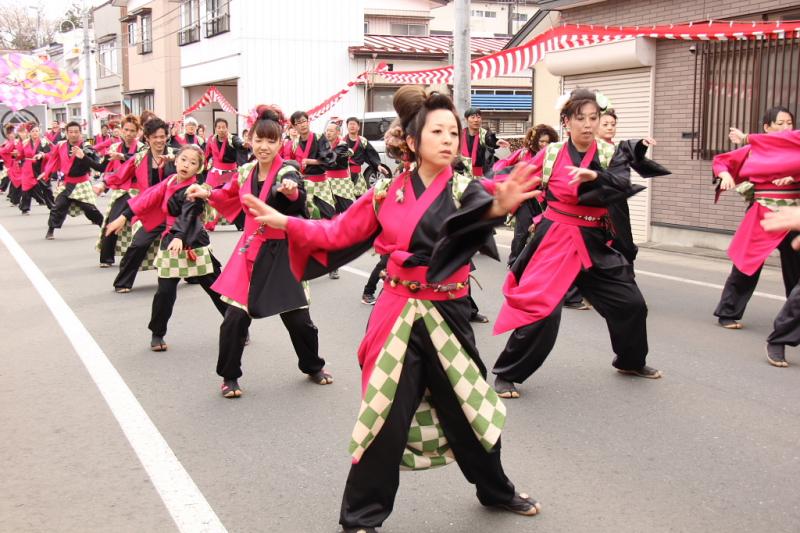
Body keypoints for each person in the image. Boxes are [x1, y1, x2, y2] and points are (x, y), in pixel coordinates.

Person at [243, 85, 542, 532]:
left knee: (469, 410)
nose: (448, 139)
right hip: (398, 313)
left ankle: (494, 489)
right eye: (437, 131)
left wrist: (498, 207)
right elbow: (336, 232)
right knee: (384, 415)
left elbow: (480, 213)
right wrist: (287, 221)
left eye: (454, 132)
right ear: (413, 138)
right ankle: (361, 517)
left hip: (448, 314)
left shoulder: (467, 188)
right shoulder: (386, 192)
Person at [491, 88, 662, 400]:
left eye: (593, 118)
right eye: (579, 118)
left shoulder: (610, 154)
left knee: (631, 304)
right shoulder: (553, 153)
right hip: (555, 239)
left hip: (594, 241)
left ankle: (630, 360)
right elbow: (516, 178)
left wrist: (595, 178)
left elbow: (622, 186)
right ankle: (507, 373)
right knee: (543, 311)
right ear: (566, 121)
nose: (587, 124)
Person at [187, 106, 332, 397]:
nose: (264, 146)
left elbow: (296, 199)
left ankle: (312, 365)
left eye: (271, 141)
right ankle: (229, 376)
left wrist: (291, 192)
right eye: (259, 140)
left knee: (298, 320)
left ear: (280, 142)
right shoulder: (245, 171)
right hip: (250, 252)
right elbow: (227, 194)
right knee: (234, 319)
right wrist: (207, 193)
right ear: (250, 140)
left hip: (282, 254)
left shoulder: (288, 170)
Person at [107, 144, 227, 351]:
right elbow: (147, 199)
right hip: (170, 240)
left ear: (198, 169)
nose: (186, 165)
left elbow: (189, 214)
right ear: (176, 160)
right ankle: (157, 333)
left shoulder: (194, 189)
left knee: (215, 289)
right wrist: (124, 217)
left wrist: (180, 236)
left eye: (193, 163)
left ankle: (237, 326)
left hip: (193, 241)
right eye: (183, 159)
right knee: (165, 292)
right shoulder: (169, 181)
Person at [713, 107, 798, 330]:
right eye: (780, 123)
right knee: (747, 263)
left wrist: (794, 174)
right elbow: (722, 161)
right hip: (763, 213)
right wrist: (724, 176)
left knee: (797, 270)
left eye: (789, 122)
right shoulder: (754, 150)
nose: (786, 127)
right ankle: (728, 312)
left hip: (793, 216)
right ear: (767, 128)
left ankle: (795, 318)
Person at [104, 117, 176, 292]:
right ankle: (123, 282)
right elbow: (120, 174)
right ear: (147, 138)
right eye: (155, 137)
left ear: (167, 136)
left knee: (194, 243)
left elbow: (199, 162)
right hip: (152, 211)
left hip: (176, 210)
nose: (159, 140)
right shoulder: (139, 158)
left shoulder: (178, 155)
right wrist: (102, 184)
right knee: (138, 244)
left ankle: (198, 276)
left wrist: (175, 160)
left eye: (162, 136)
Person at [494, 124, 559, 266]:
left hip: (543, 199)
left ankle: (536, 262)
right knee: (521, 232)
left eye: (548, 142)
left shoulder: (554, 156)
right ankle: (514, 261)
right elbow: (504, 163)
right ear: (534, 140)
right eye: (541, 141)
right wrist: (500, 174)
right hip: (524, 199)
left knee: (543, 232)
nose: (544, 145)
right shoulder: (523, 153)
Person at [95, 114, 145, 267]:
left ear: (138, 132)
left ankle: (146, 258)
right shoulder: (113, 147)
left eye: (132, 130)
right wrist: (84, 158)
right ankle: (106, 258)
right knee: (113, 220)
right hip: (121, 189)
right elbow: (105, 168)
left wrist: (122, 156)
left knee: (146, 226)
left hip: (138, 190)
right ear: (121, 130)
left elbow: (135, 158)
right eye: (126, 130)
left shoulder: (143, 148)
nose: (129, 133)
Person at [41, 121, 104, 239]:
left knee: (89, 209)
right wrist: (45, 167)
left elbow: (95, 160)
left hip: (82, 183)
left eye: (76, 132)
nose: (73, 134)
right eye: (70, 132)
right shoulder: (61, 145)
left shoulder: (86, 144)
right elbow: (52, 157)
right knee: (58, 206)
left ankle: (105, 228)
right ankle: (51, 230)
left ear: (80, 133)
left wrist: (84, 155)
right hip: (67, 182)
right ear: (66, 133)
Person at [203, 118, 248, 230]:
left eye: (224, 127)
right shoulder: (211, 139)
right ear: (215, 128)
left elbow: (239, 144)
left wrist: (243, 145)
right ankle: (210, 224)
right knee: (208, 195)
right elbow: (206, 154)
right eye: (219, 127)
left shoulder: (232, 138)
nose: (221, 130)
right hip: (214, 173)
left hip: (229, 174)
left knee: (233, 198)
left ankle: (240, 224)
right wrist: (202, 164)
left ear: (227, 128)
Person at [344, 116, 390, 197]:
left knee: (360, 197)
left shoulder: (363, 140)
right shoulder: (341, 141)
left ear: (358, 127)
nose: (352, 126)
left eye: (354, 124)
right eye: (350, 124)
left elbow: (371, 154)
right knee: (346, 197)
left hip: (357, 174)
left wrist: (378, 165)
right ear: (347, 126)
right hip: (344, 175)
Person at [461, 107, 509, 177]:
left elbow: (489, 139)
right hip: (462, 171)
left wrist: (496, 142)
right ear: (466, 119)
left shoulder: (484, 133)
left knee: (476, 185)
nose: (476, 120)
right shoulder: (461, 134)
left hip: (478, 169)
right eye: (473, 117)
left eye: (478, 117)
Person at [19, 124, 55, 214]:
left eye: (36, 131)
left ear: (39, 132)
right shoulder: (25, 142)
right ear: (29, 133)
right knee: (26, 187)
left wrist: (43, 155)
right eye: (33, 131)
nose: (35, 133)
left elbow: (51, 153)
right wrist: (16, 155)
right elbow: (20, 155)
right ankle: (25, 208)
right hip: (28, 167)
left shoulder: (44, 142)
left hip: (41, 166)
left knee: (46, 187)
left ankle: (52, 206)